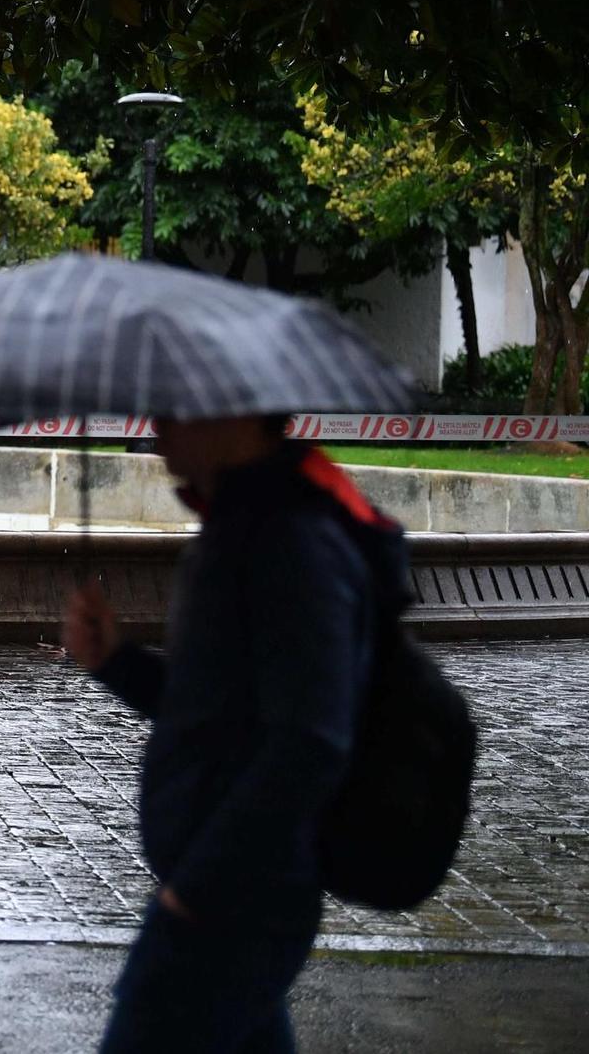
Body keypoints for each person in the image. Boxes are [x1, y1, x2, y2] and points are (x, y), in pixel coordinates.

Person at [64, 414, 406, 1052]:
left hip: (233, 906)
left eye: (168, 407)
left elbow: (311, 741)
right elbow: (215, 713)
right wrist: (117, 661)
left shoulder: (291, 541)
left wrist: (195, 894)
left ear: (229, 412)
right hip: (232, 897)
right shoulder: (246, 526)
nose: (154, 428)